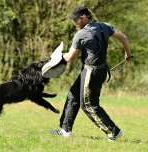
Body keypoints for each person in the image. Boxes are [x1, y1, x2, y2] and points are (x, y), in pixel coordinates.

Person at [50, 6, 132, 141]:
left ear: (83, 17)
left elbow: (70, 58)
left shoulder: (81, 34)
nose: (74, 23)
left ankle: (113, 132)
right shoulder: (105, 26)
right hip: (100, 70)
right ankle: (66, 129)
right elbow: (124, 37)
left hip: (91, 72)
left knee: (88, 104)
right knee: (73, 95)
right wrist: (128, 54)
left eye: (76, 20)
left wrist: (57, 57)